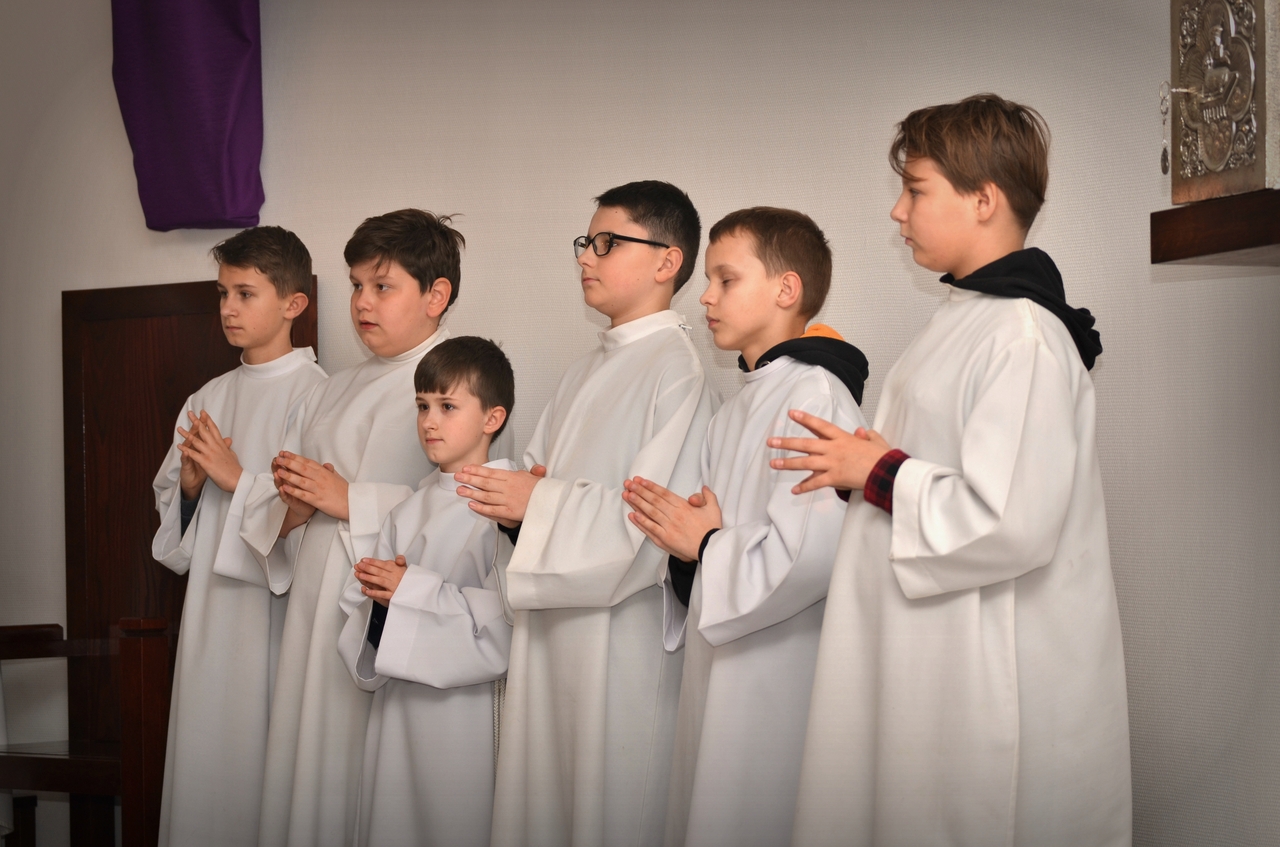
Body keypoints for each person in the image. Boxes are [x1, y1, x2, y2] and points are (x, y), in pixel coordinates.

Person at [777, 94, 1130, 846]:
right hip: (925, 649)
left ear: (983, 200)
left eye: (915, 190)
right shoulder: (966, 318)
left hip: (983, 667)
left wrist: (878, 470)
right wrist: (868, 464)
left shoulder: (1022, 335)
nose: (897, 212)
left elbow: (1008, 519)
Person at [457, 181, 718, 847]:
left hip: (619, 646)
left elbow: (656, 523)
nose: (585, 257)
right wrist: (515, 507)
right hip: (550, 638)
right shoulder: (580, 372)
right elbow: (536, 481)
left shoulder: (679, 372)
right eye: (585, 242)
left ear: (667, 261)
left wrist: (536, 503)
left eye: (606, 242)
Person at [623, 207, 867, 847]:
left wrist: (705, 545)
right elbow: (705, 539)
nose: (705, 297)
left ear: (786, 289)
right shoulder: (736, 409)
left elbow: (811, 556)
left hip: (779, 674)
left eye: (725, 280)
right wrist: (686, 552)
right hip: (721, 668)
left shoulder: (815, 397)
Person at [239, 209, 464, 847]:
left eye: (382, 286)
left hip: (383, 614)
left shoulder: (454, 382)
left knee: (366, 785)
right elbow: (286, 504)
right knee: (309, 769)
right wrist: (292, 508)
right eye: (357, 286)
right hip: (313, 604)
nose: (362, 302)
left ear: (436, 295)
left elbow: (460, 507)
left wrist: (351, 500)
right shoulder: (329, 389)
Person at [150, 226, 326, 847]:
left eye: (245, 294)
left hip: (275, 622)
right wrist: (192, 488)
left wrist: (235, 478)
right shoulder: (207, 398)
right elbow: (173, 526)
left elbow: (311, 518)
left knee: (265, 777)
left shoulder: (318, 397)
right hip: (208, 618)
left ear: (293, 303)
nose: (228, 308)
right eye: (223, 293)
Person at [336, 336, 516, 847]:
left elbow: (502, 627)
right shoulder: (406, 510)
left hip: (463, 721)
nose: (429, 422)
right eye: (422, 406)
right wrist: (379, 603)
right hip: (396, 712)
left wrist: (407, 591)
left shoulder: (506, 509)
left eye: (447, 406)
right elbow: (363, 623)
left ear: (493, 418)